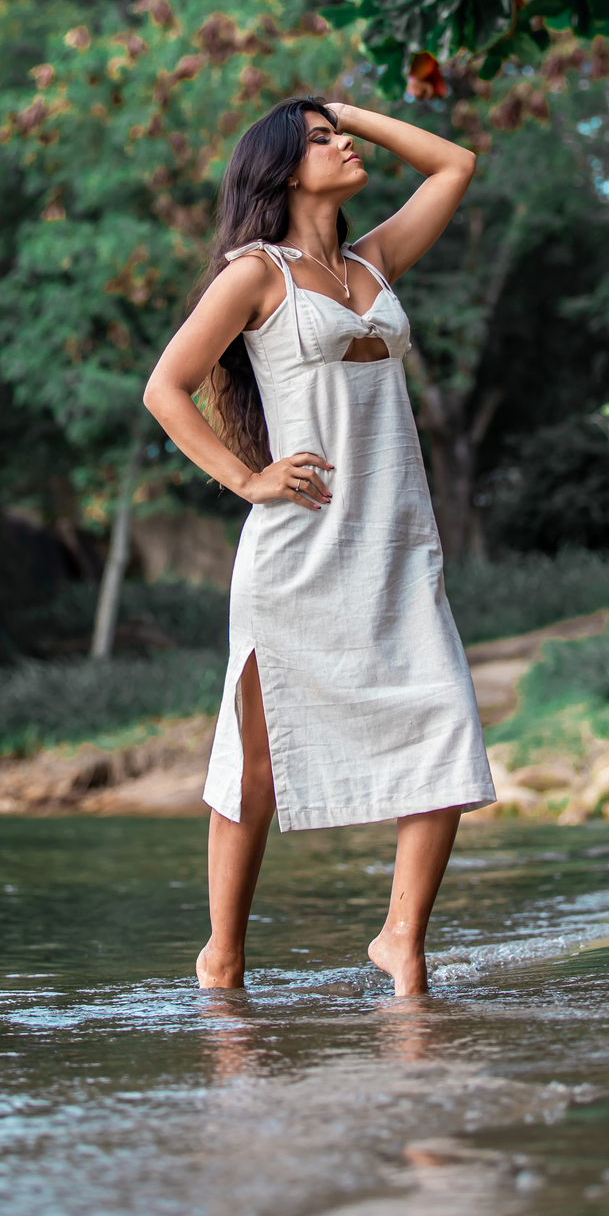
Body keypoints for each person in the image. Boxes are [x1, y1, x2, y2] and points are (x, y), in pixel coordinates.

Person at [142, 97, 495, 995]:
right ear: (283, 170)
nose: (343, 147)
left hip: (394, 544)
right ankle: (223, 956)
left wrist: (345, 111)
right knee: (256, 764)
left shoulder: (372, 260)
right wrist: (250, 479)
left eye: (341, 136)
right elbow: (166, 389)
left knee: (447, 721)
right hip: (297, 553)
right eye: (322, 141)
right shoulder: (257, 274)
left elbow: (454, 163)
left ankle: (399, 941)